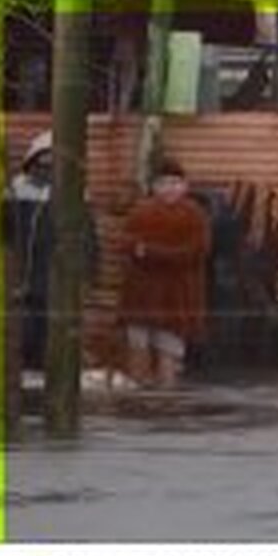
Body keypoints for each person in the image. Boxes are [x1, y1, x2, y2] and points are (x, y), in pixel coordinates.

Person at [2, 130, 100, 372]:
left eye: (53, 161)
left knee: (56, 342)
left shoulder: (77, 194)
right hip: (23, 282)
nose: (47, 166)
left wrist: (88, 276)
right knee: (23, 339)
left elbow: (89, 241)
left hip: (60, 283)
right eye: (43, 160)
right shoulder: (15, 193)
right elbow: (5, 236)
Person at [117, 158, 211, 389]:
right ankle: (137, 405)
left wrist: (149, 252)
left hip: (176, 299)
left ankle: (165, 406)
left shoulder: (194, 215)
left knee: (168, 352)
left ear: (185, 186)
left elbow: (195, 251)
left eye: (175, 182)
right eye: (163, 183)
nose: (170, 188)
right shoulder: (140, 212)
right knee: (137, 348)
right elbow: (126, 244)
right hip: (140, 297)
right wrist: (142, 251)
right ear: (154, 187)